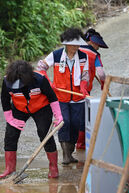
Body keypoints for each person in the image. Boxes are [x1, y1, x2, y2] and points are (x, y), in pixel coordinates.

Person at [0, 60, 63, 179]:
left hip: (41, 108)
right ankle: (9, 169)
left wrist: (58, 116)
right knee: (10, 134)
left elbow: (52, 97)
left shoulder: (40, 79)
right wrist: (10, 119)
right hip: (19, 108)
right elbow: (5, 100)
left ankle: (53, 167)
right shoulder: (7, 81)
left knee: (44, 133)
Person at [36, 27, 89, 165]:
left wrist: (83, 86)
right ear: (66, 44)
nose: (76, 47)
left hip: (78, 98)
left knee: (76, 125)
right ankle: (65, 155)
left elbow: (85, 75)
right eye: (73, 45)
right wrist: (48, 83)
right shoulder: (56, 55)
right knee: (64, 122)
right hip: (60, 97)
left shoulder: (84, 57)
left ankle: (70, 153)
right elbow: (40, 67)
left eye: (78, 45)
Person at [76, 28, 109, 150]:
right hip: (84, 90)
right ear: (91, 41)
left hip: (69, 89)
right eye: (97, 44)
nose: (98, 48)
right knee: (83, 116)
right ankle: (80, 145)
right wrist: (103, 83)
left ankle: (69, 145)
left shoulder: (75, 49)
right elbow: (101, 73)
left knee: (71, 115)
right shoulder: (94, 54)